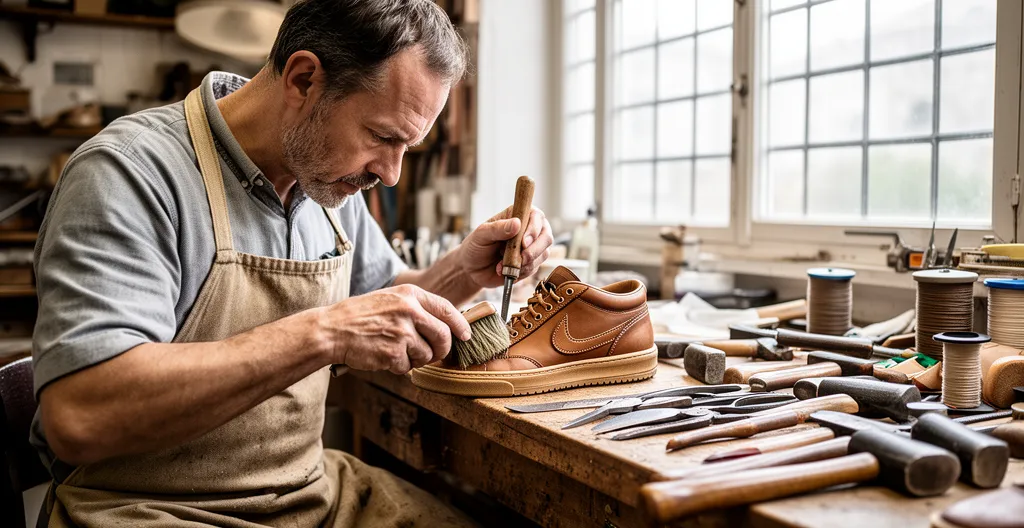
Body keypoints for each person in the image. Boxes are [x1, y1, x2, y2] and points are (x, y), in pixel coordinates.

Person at [30, 1, 553, 526]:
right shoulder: (129, 174)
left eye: (408, 147)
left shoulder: (326, 183)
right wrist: (323, 334)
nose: (391, 175)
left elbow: (389, 294)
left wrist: (466, 270)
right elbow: (81, 413)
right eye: (382, 136)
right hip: (150, 509)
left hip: (307, 496)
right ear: (304, 80)